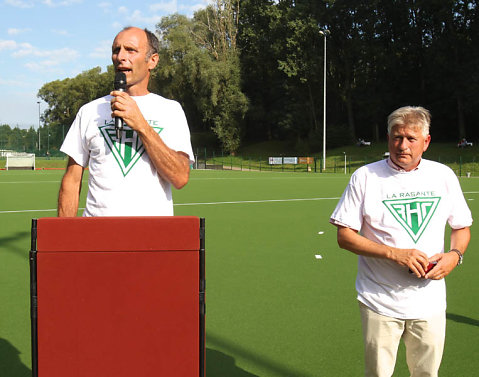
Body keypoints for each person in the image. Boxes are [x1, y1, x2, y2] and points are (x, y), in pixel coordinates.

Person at [330, 106, 472, 377]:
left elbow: (462, 227)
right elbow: (344, 236)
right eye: (397, 137)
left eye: (411, 139)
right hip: (379, 301)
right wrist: (396, 254)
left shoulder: (443, 176)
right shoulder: (365, 177)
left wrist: (454, 255)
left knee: (426, 374)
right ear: (388, 138)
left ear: (426, 142)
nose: (402, 145)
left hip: (429, 302)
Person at [58, 27, 194, 217]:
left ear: (152, 60)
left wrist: (141, 125)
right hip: (98, 237)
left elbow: (180, 177)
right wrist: (65, 237)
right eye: (116, 50)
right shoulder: (89, 111)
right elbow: (72, 180)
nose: (121, 56)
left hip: (151, 239)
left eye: (130, 50)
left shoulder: (171, 110)